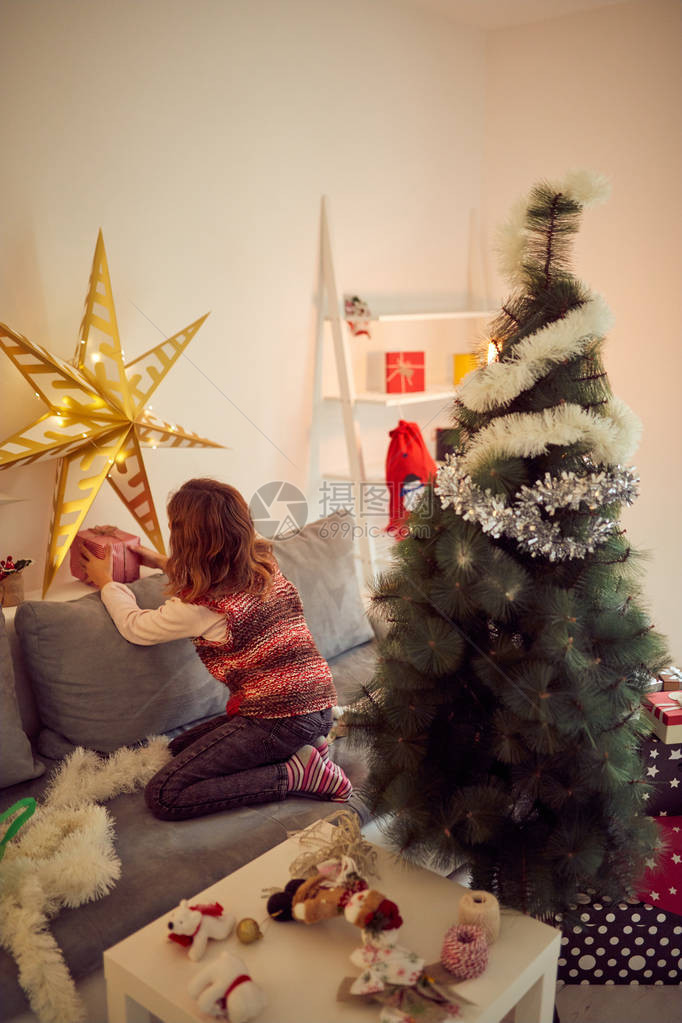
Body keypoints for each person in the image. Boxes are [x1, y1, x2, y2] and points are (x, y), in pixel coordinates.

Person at [79, 478, 352, 820]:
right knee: (177, 749)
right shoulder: (262, 562)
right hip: (318, 706)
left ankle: (296, 774)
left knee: (165, 795)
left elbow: (136, 627)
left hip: (279, 719)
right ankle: (306, 749)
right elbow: (214, 569)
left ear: (186, 542)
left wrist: (107, 583)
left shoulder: (202, 606)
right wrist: (156, 560)